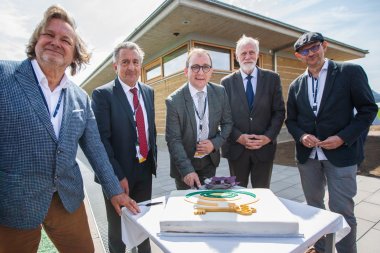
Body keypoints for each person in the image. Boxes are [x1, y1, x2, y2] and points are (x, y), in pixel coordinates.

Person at [0, 5, 139, 253]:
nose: (56, 42)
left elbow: (95, 149)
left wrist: (114, 190)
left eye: (65, 39)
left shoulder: (80, 98)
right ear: (36, 41)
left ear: (75, 54)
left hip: (67, 198)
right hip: (15, 201)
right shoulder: (4, 76)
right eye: (48, 35)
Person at [286, 32, 377, 253]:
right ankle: (321, 249)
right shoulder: (296, 85)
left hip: (342, 155)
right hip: (309, 159)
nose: (311, 53)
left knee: (342, 212)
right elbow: (292, 121)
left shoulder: (349, 72)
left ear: (324, 46)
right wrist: (302, 136)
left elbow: (368, 110)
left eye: (315, 47)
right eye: (305, 51)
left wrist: (343, 137)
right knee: (314, 211)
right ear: (299, 56)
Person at [92, 41, 157, 253]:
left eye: (135, 62)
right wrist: (116, 176)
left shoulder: (148, 91)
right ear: (115, 66)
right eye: (125, 62)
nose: (131, 67)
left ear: (141, 65)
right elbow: (101, 141)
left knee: (143, 224)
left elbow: (149, 129)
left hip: (144, 169)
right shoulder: (103, 95)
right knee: (119, 231)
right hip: (118, 174)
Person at [221, 35, 285, 188]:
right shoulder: (226, 83)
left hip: (264, 149)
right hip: (236, 150)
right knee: (238, 194)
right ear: (237, 57)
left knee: (262, 195)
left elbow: (279, 111)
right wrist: (238, 137)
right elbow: (223, 116)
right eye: (243, 53)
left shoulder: (272, 78)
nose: (247, 56)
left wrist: (268, 137)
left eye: (251, 52)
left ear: (257, 55)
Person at [166, 48, 233, 190]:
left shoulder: (220, 92)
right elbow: (173, 140)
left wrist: (214, 144)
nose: (201, 72)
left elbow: (227, 123)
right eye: (195, 67)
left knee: (208, 205)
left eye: (205, 67)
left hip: (209, 161)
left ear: (211, 71)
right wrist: (187, 170)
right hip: (184, 165)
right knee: (186, 208)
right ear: (186, 71)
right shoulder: (174, 101)